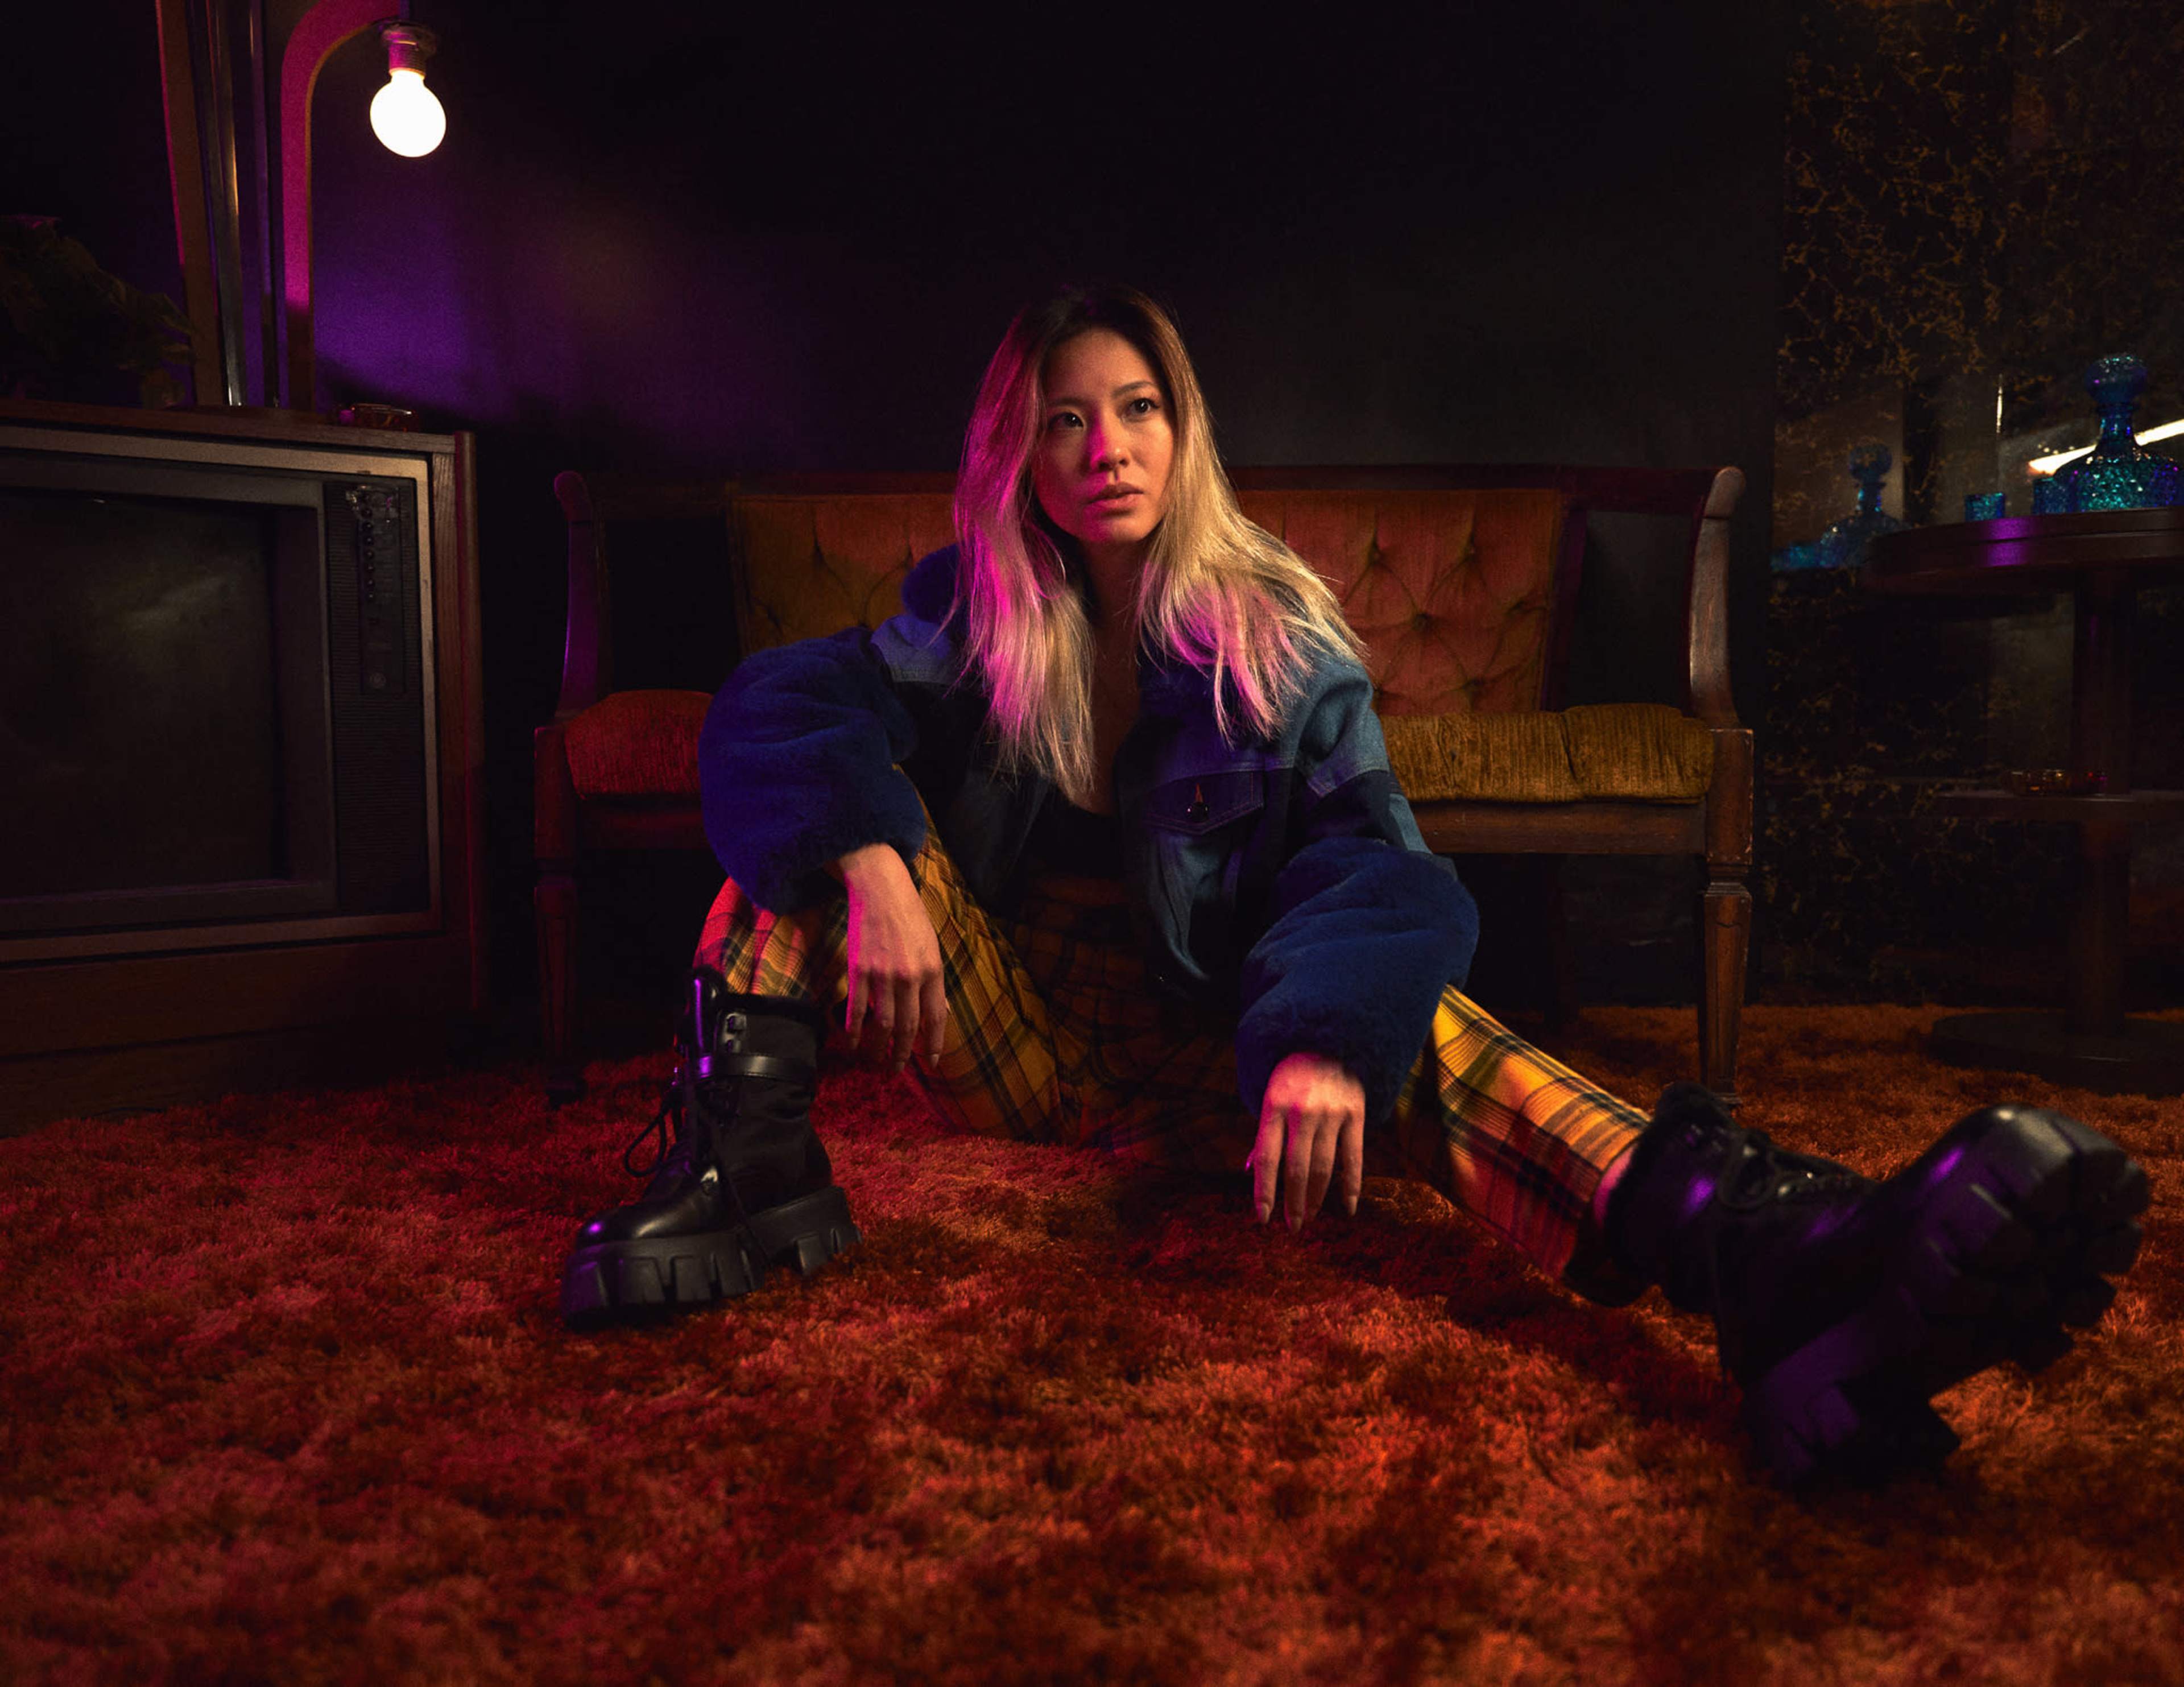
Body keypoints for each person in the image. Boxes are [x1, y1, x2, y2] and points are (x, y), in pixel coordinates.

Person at [559, 283, 2149, 1487]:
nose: (1102, 447)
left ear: (1185, 433)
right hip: (1023, 1037)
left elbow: (1371, 863)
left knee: (1415, 1016)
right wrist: (873, 855)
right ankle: (750, 1182)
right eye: (1061, 415)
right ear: (1018, 450)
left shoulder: (1275, 636)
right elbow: (780, 705)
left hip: (1206, 1048)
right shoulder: (967, 620)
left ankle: (1779, 1261)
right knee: (795, 824)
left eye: (1135, 408)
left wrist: (1324, 1033)